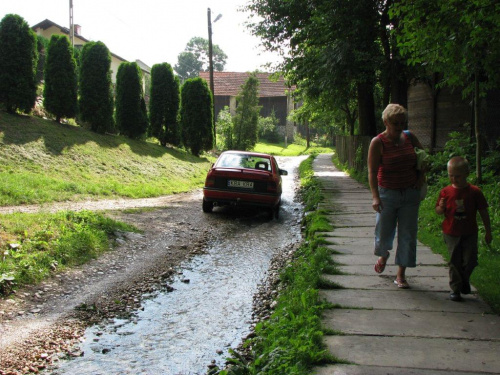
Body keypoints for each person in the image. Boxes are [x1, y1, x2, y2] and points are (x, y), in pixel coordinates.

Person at [368, 103, 426, 289]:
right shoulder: (378, 142)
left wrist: (420, 177)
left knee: (408, 235)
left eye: (402, 122)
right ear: (386, 121)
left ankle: (401, 275)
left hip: (410, 193)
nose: (400, 126)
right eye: (395, 123)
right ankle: (383, 255)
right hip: (388, 194)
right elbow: (372, 171)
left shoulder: (409, 137)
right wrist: (375, 196)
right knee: (384, 231)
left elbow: (423, 159)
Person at [435, 156, 492, 301]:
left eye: (457, 176)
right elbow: (439, 211)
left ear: (467, 173)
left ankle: (464, 280)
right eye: (451, 175)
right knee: (455, 261)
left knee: (470, 260)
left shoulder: (474, 192)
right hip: (451, 232)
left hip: (469, 232)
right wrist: (441, 207)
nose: (454, 179)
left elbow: (483, 212)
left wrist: (488, 230)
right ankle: (456, 289)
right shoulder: (445, 192)